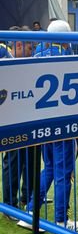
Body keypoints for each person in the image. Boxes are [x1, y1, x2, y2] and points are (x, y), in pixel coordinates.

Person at [17, 20, 78, 234]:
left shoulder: (37, 56)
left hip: (43, 124)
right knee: (63, 172)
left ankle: (30, 213)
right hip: (64, 124)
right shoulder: (70, 57)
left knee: (50, 168)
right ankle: (61, 222)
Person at [2, 26, 34, 220]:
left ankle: (27, 197)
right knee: (13, 162)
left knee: (30, 158)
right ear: (19, 45)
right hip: (12, 123)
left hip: (29, 120)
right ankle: (9, 206)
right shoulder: (4, 64)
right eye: (30, 48)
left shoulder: (29, 64)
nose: (33, 53)